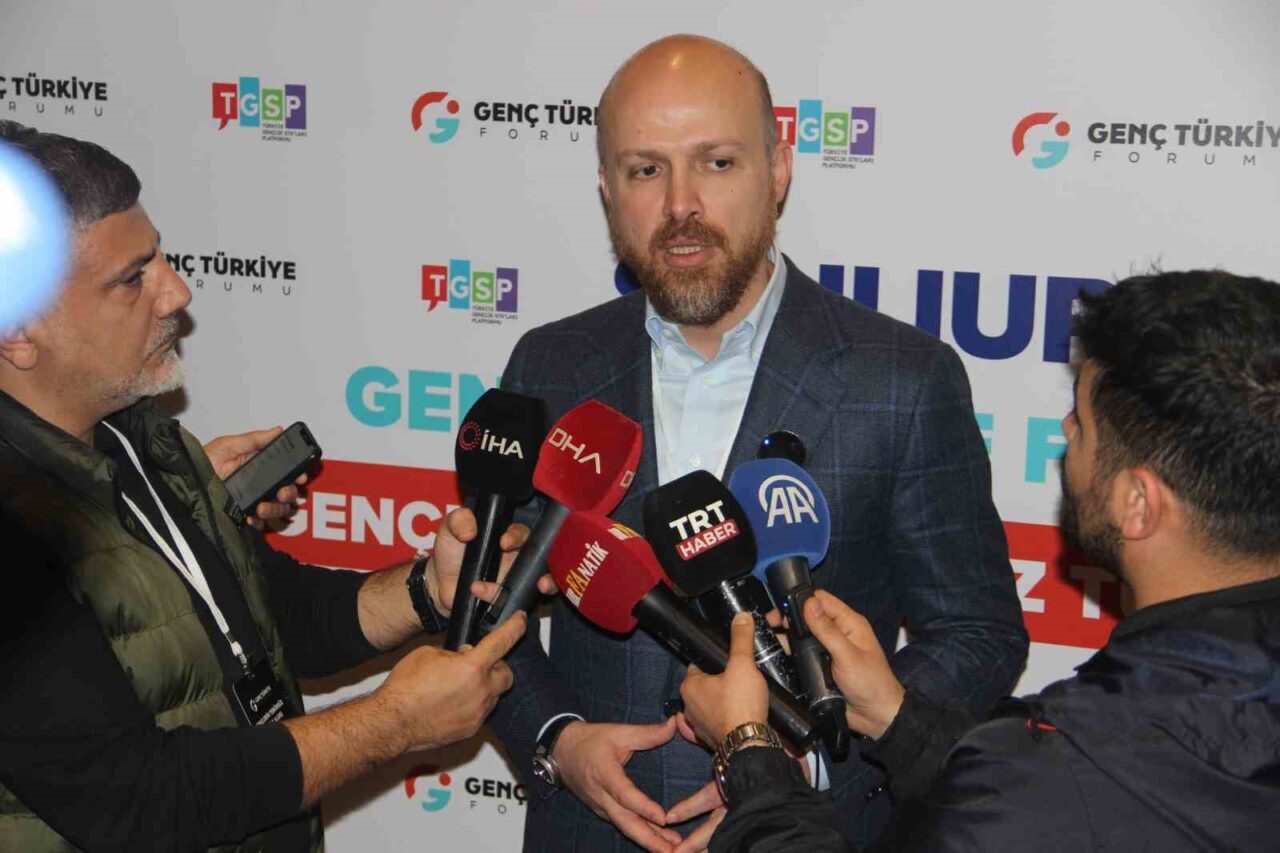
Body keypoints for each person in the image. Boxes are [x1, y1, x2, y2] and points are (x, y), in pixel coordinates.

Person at [488, 34, 1028, 852]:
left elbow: (979, 634)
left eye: (717, 163)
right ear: (606, 189)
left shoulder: (904, 379)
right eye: (645, 169)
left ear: (778, 169)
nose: (681, 205)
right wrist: (558, 738)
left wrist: (805, 755)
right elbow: (490, 607)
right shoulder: (551, 364)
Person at [0, 121, 536, 853]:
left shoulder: (139, 436)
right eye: (133, 278)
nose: (177, 292)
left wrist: (425, 591)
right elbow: (134, 797)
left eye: (161, 257)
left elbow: (267, 618)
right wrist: (391, 723)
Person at [681, 270, 1280, 852]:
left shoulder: (1079, 757)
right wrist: (896, 716)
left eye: (1082, 423)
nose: (1065, 427)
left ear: (1137, 503)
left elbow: (1034, 802)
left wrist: (749, 751)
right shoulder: (1103, 752)